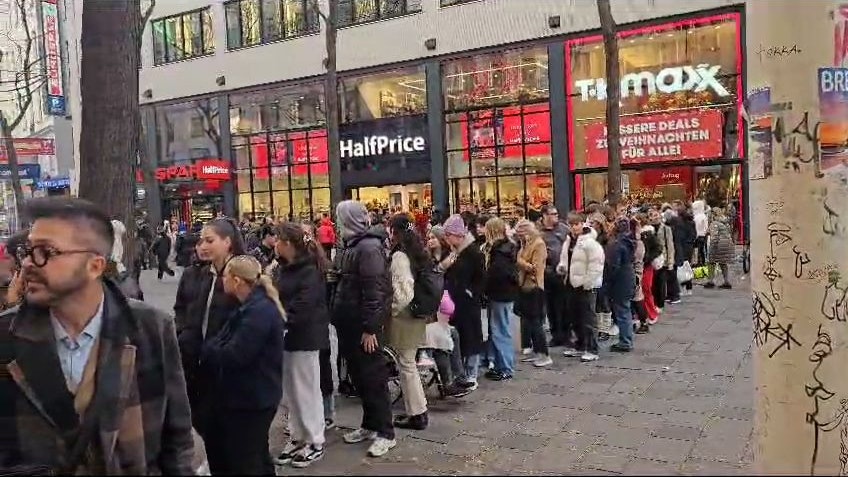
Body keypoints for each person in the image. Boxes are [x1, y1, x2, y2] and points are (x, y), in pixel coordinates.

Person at [0, 197, 194, 474]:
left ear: (95, 266)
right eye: (27, 250)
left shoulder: (151, 328)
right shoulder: (5, 337)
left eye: (45, 251)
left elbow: (177, 440)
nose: (29, 263)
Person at [200, 255, 284, 475]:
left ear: (236, 280)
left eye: (226, 276)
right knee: (257, 456)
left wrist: (209, 351)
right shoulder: (249, 306)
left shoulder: (259, 311)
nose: (222, 280)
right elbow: (222, 341)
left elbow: (234, 354)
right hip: (251, 396)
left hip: (252, 399)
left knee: (246, 460)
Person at [175, 218, 245, 461]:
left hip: (226, 362)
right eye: (200, 241)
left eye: (209, 240)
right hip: (194, 358)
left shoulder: (241, 275)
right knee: (200, 416)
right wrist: (183, 334)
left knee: (229, 423)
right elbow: (180, 308)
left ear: (228, 242)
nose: (202, 246)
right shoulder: (194, 274)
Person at [332, 200, 396, 457]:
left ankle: (386, 432)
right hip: (350, 323)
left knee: (373, 378)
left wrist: (371, 327)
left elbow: (375, 292)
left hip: (363, 326)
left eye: (339, 218)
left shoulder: (368, 248)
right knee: (360, 378)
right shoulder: (353, 246)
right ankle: (370, 425)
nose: (336, 223)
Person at [273, 222, 331, 468]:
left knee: (306, 389)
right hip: (286, 337)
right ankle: (297, 436)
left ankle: (314, 439)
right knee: (291, 393)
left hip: (304, 337)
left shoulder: (309, 270)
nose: (274, 243)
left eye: (277, 239)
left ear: (287, 244)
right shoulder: (284, 268)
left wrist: (283, 320)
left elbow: (304, 305)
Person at [386, 214, 430, 430]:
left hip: (404, 315)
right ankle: (417, 410)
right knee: (408, 363)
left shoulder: (400, 257)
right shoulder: (417, 252)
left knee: (406, 365)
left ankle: (417, 413)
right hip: (416, 313)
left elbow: (402, 293)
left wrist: (391, 312)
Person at [441, 214, 486, 388]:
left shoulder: (473, 252)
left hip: (467, 303)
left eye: (449, 235)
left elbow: (481, 278)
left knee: (471, 336)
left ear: (458, 234)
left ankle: (472, 373)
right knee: (459, 337)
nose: (447, 239)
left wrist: (471, 292)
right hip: (454, 302)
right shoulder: (454, 252)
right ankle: (461, 373)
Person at [557, 213, 604, 362]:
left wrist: (588, 282)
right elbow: (565, 259)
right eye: (571, 224)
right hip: (571, 283)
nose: (574, 227)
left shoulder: (590, 242)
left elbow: (596, 264)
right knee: (575, 317)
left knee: (588, 319)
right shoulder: (569, 240)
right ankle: (580, 345)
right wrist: (562, 267)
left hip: (585, 285)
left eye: (576, 224)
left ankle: (592, 349)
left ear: (583, 224)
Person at [482, 217, 518, 381]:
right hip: (502, 294)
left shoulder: (499, 252)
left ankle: (505, 367)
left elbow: (498, 275)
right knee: (498, 329)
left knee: (500, 331)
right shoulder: (506, 247)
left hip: (499, 295)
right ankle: (499, 364)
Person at [515, 219, 552, 368]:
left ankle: (544, 354)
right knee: (528, 321)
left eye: (520, 234)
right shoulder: (525, 245)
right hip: (524, 286)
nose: (519, 237)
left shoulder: (539, 244)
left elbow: (535, 268)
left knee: (536, 322)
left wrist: (519, 261)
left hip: (535, 287)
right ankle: (536, 352)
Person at [605, 217, 637, 353]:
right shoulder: (630, 241)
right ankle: (627, 338)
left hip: (620, 282)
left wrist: (607, 280)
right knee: (626, 310)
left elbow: (613, 266)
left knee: (622, 311)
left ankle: (625, 341)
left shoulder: (617, 244)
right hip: (628, 278)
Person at [539, 205, 568, 348]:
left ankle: (566, 333)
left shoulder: (563, 229)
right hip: (547, 273)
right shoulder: (538, 231)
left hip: (562, 273)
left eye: (557, 213)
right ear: (544, 215)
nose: (556, 216)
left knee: (563, 305)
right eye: (552, 214)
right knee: (550, 306)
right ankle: (556, 334)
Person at [648, 208, 676, 312]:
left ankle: (660, 304)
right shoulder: (648, 229)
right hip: (651, 259)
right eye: (652, 216)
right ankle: (654, 303)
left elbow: (670, 245)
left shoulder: (666, 229)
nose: (654, 217)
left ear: (660, 216)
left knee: (660, 283)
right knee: (652, 284)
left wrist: (670, 262)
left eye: (656, 215)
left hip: (662, 259)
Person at [704, 207, 734, 289]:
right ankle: (726, 281)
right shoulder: (725, 222)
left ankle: (710, 281)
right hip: (727, 244)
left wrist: (712, 247)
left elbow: (714, 236)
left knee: (711, 262)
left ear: (713, 214)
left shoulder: (714, 223)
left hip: (718, 244)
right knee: (723, 263)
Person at [692, 200, 709, 267]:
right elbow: (706, 227)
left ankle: (699, 262)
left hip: (697, 235)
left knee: (697, 250)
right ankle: (702, 262)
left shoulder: (695, 216)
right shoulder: (703, 216)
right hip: (702, 235)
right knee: (701, 250)